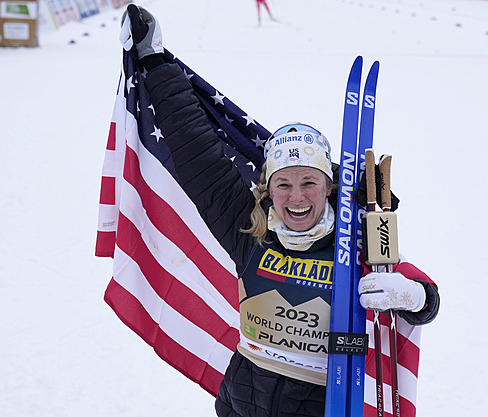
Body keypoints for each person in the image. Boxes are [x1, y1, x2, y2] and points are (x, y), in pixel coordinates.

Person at [120, 5, 439, 417]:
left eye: (309, 183)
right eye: (283, 185)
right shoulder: (250, 233)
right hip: (241, 406)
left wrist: (413, 296)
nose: (296, 197)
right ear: (268, 189)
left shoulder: (355, 242)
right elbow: (198, 154)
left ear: (329, 186)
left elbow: (422, 301)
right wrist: (155, 61)